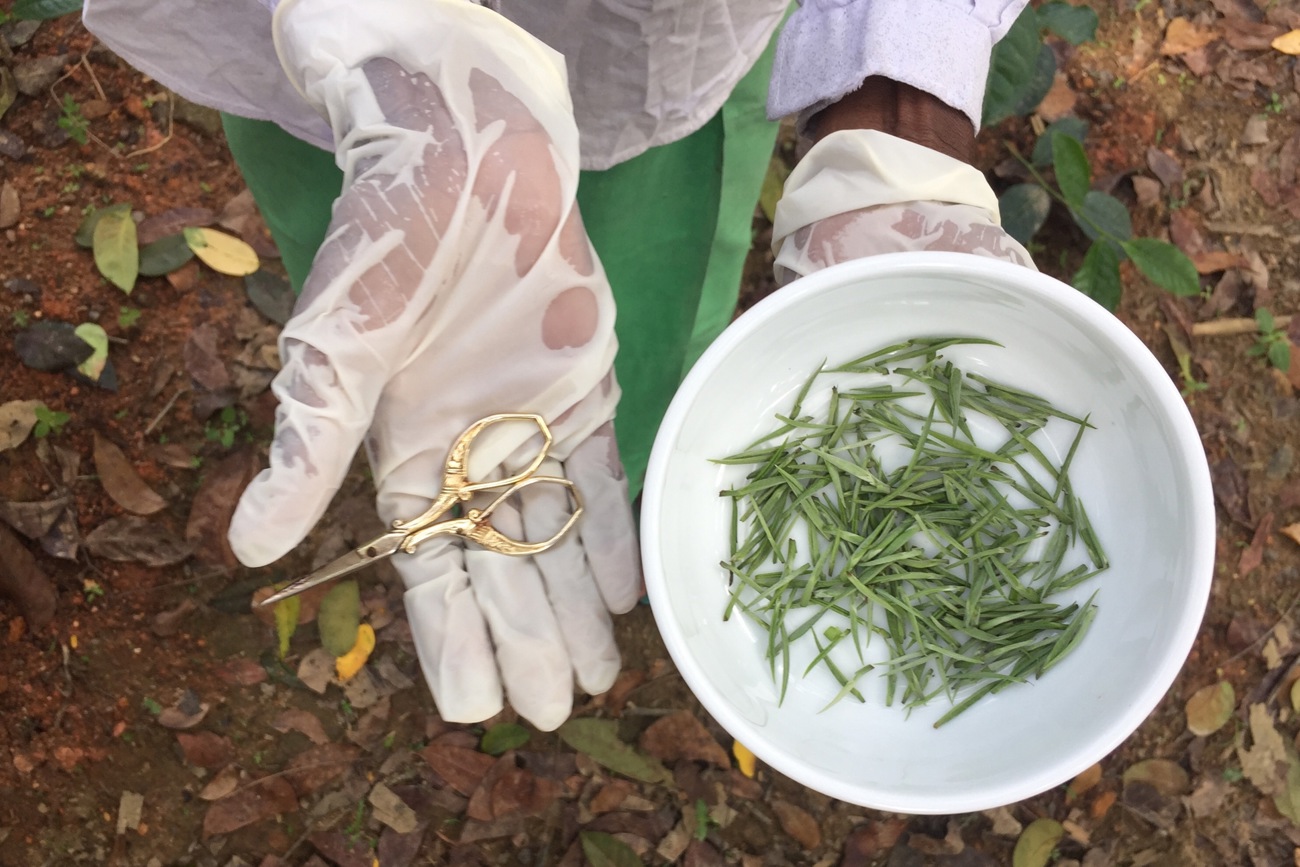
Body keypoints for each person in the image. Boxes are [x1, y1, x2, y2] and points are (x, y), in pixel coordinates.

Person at [82, 0, 1034, 732]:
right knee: (393, 289)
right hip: (328, 78)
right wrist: (378, 34)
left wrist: (894, 89)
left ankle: (655, 458)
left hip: (660, 45)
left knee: (643, 325)